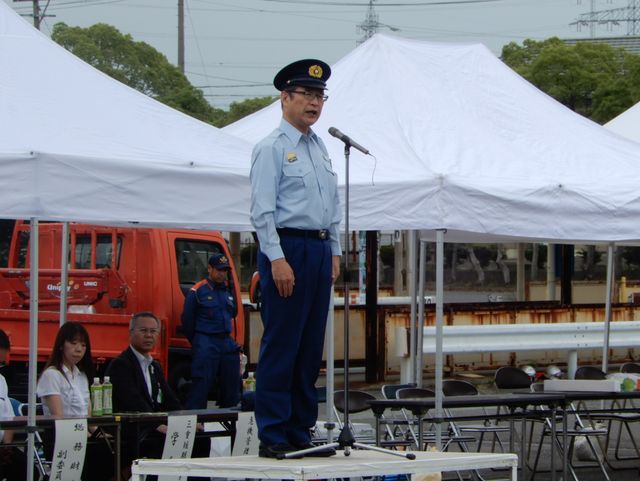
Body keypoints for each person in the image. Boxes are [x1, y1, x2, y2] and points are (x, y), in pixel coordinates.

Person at [250, 58, 341, 458]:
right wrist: (276, 258)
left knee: (309, 346)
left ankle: (300, 428)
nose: (314, 102)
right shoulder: (271, 147)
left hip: (319, 247)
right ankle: (273, 432)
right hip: (288, 247)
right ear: (284, 98)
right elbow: (261, 211)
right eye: (306, 94)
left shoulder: (320, 146)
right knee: (282, 343)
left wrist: (335, 249)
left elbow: (330, 206)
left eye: (319, 95)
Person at [106, 312, 207, 479]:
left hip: (153, 425)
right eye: (143, 330)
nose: (148, 335)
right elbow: (133, 401)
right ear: (131, 333)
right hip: (134, 428)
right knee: (164, 439)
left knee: (201, 437)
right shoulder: (121, 364)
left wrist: (186, 420)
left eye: (153, 331)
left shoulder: (154, 365)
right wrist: (156, 425)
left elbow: (170, 400)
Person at [35, 322, 112, 481]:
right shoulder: (52, 374)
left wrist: (101, 434)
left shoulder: (82, 376)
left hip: (83, 435)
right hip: (60, 437)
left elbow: (89, 419)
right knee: (102, 455)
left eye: (83, 345)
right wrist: (85, 434)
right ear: (61, 345)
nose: (78, 349)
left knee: (116, 448)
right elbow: (58, 416)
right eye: (73, 343)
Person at [181, 253, 241, 409]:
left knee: (232, 386)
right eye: (219, 270)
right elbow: (187, 320)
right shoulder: (198, 291)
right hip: (206, 341)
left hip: (226, 342)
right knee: (201, 385)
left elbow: (232, 313)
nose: (222, 273)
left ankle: (231, 425)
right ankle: (195, 426)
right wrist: (198, 342)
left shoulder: (227, 290)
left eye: (224, 270)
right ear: (209, 269)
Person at [0, 330, 25, 481]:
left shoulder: (1, 380)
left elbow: (9, 417)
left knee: (24, 466)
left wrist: (6, 448)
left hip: (1, 446)